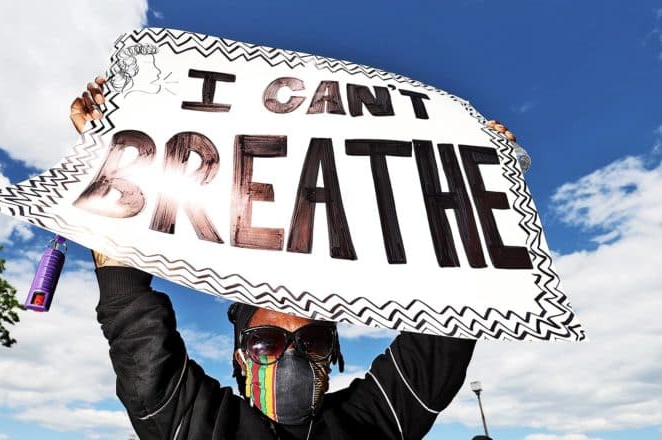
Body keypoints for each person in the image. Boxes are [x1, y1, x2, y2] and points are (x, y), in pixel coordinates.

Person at [72, 78, 517, 440]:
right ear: (241, 355)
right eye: (267, 342)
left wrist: (476, 190)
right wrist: (110, 155)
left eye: (314, 341)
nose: (293, 358)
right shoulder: (202, 428)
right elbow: (136, 334)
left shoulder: (372, 425)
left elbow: (444, 333)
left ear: (333, 353)